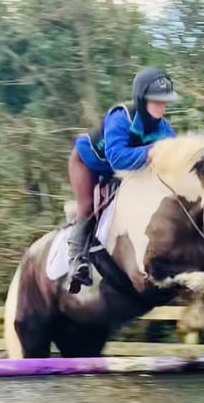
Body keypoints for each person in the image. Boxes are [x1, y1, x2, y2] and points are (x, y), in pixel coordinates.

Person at [65, 66, 179, 293]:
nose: (162, 105)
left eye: (165, 101)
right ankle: (76, 261)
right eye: (157, 100)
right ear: (142, 98)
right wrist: (151, 151)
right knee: (87, 206)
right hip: (88, 162)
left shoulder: (164, 128)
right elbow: (117, 158)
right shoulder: (122, 116)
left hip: (120, 171)